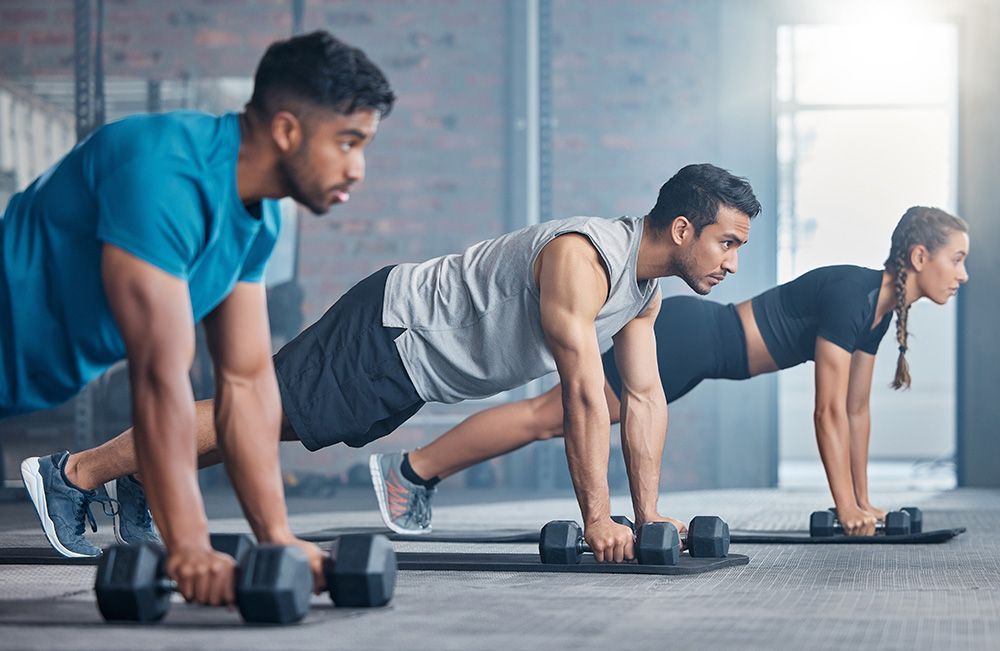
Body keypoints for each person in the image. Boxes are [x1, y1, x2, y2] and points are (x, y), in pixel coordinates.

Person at [35, 163, 761, 563]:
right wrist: (598, 519)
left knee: (269, 427)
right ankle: (73, 474)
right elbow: (580, 396)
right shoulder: (584, 257)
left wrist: (648, 515)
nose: (732, 263)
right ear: (683, 227)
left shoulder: (642, 296)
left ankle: (138, 470)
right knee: (257, 413)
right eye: (728, 243)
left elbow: (642, 401)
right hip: (393, 329)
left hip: (413, 366)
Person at [10, 31, 395, 605]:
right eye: (348, 142)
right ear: (287, 129)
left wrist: (277, 538)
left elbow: (245, 386)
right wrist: (187, 544)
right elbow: (161, 378)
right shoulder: (164, 170)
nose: (358, 168)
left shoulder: (256, 223)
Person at [383, 206, 968, 537]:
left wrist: (864, 505)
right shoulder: (853, 292)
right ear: (920, 257)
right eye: (957, 259)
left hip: (699, 354)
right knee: (547, 417)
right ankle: (411, 470)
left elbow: (857, 412)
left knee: (549, 417)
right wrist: (844, 512)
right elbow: (827, 411)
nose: (962, 274)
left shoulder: (877, 311)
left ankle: (415, 471)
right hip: (688, 337)